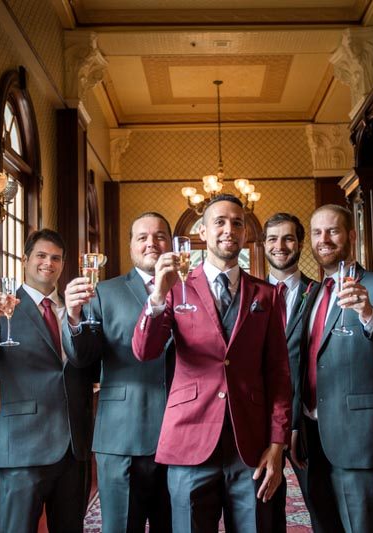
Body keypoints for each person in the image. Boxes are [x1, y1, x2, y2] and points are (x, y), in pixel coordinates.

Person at [132, 194, 292, 533]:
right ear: (202, 232)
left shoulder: (266, 295)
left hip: (250, 445)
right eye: (219, 221)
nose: (229, 229)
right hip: (190, 439)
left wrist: (277, 446)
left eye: (237, 222)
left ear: (247, 233)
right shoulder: (176, 288)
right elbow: (145, 351)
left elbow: (279, 373)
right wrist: (157, 297)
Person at [0, 229, 95, 533]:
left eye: (56, 258)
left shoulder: (77, 309)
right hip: (22, 448)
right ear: (25, 259)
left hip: (75, 446)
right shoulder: (4, 308)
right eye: (41, 256)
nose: (49, 263)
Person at [297, 204, 373, 533]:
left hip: (360, 441)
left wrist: (368, 316)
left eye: (332, 231)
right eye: (318, 233)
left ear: (351, 236)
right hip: (314, 439)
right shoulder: (315, 292)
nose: (324, 239)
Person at [63, 213, 174, 532]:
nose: (151, 243)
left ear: (171, 243)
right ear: (130, 245)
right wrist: (72, 317)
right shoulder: (104, 292)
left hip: (179, 434)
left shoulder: (190, 290)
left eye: (159, 236)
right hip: (121, 434)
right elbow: (83, 357)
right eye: (142, 237)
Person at [262, 212, 316, 531]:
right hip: (261, 425)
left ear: (299, 243)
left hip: (310, 424)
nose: (280, 246)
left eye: (288, 238)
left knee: (320, 507)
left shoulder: (321, 294)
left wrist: (296, 423)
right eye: (272, 239)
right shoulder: (250, 296)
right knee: (266, 512)